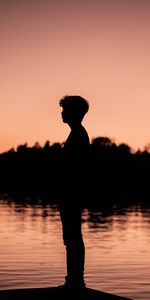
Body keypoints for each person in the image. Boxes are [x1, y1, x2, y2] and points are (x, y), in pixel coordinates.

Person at [58, 95, 90, 290]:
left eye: (65, 109)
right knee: (71, 237)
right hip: (71, 193)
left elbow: (75, 169)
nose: (62, 112)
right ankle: (74, 280)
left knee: (72, 237)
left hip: (72, 194)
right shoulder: (77, 133)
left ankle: (75, 281)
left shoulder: (78, 134)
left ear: (74, 112)